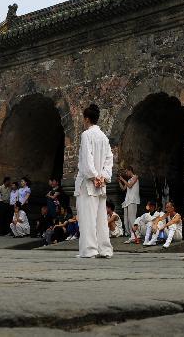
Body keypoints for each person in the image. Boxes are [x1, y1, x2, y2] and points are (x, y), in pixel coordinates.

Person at [74, 103, 114, 259]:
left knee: (87, 217)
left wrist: (94, 176)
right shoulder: (103, 136)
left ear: (86, 119)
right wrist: (103, 176)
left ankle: (89, 249)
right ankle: (104, 248)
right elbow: (109, 159)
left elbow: (86, 159)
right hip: (100, 184)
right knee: (100, 218)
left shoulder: (87, 135)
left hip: (89, 183)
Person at [117, 166, 140, 237]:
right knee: (126, 219)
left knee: (131, 218)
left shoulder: (135, 177)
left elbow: (130, 186)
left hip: (132, 200)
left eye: (127, 171)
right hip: (127, 200)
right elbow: (123, 188)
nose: (126, 173)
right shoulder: (129, 180)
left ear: (130, 170)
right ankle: (129, 233)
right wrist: (119, 181)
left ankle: (135, 234)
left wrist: (122, 179)